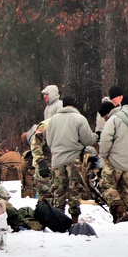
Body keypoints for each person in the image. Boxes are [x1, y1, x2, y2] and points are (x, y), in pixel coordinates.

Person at [45, 96, 97, 224]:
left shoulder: (52, 120)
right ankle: (74, 219)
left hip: (57, 160)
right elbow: (87, 140)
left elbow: (49, 141)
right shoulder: (79, 118)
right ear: (75, 106)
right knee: (74, 190)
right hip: (73, 159)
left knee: (58, 190)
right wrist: (96, 136)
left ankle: (58, 217)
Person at [98, 93, 128, 223]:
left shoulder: (116, 118)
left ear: (123, 105)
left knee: (106, 185)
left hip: (115, 161)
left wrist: (104, 155)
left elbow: (105, 139)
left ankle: (120, 209)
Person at [30, 119, 53, 205]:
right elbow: (36, 145)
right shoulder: (46, 125)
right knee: (45, 195)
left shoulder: (70, 123)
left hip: (60, 163)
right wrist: (41, 162)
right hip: (45, 163)